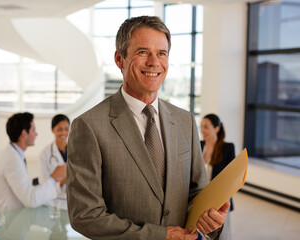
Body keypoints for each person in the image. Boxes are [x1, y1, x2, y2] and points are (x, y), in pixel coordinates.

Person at [66, 16, 229, 240]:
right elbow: (85, 216)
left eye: (161, 53)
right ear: (119, 59)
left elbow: (197, 192)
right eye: (143, 52)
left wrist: (211, 219)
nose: (154, 62)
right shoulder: (89, 126)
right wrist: (159, 235)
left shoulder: (185, 121)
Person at [0, 112, 65, 213]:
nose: (36, 134)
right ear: (24, 134)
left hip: (12, 214)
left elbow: (27, 193)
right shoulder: (10, 159)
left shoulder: (12, 153)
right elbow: (30, 200)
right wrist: (54, 178)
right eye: (33, 130)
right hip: (3, 220)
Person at [200, 113, 235, 240]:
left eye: (206, 127)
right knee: (203, 230)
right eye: (201, 127)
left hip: (220, 197)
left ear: (216, 129)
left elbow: (231, 177)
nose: (202, 130)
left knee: (220, 234)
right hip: (201, 196)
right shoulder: (199, 145)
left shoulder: (227, 148)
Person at [39, 114, 70, 194]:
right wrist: (65, 178)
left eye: (66, 129)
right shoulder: (44, 154)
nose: (63, 132)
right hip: (55, 199)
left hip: (75, 198)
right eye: (59, 129)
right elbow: (44, 185)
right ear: (52, 130)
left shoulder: (76, 151)